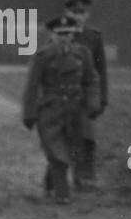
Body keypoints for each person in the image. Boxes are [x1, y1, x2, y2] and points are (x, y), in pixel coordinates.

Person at [22, 11, 100, 205]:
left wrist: (92, 102)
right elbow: (32, 86)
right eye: (60, 34)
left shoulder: (83, 54)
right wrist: (29, 114)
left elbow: (91, 79)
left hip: (74, 110)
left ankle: (50, 182)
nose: (64, 38)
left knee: (69, 148)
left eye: (68, 33)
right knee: (56, 150)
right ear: (52, 35)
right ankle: (62, 193)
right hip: (50, 110)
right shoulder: (43, 56)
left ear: (73, 34)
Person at [64, 0, 108, 188]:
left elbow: (101, 70)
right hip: (64, 95)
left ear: (87, 15)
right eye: (74, 12)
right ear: (67, 13)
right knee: (66, 137)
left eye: (82, 13)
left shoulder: (94, 37)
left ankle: (86, 177)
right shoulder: (61, 32)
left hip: (86, 96)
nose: (78, 16)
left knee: (88, 137)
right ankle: (64, 176)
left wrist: (102, 99)